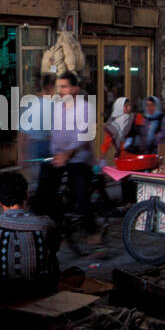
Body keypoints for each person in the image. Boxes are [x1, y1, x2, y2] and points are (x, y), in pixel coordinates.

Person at [34, 71, 100, 247]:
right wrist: (55, 153)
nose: (61, 91)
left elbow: (83, 136)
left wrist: (67, 154)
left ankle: (93, 232)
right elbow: (54, 134)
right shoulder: (57, 107)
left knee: (80, 193)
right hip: (59, 156)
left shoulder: (85, 108)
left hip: (78, 158)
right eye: (59, 87)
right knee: (44, 192)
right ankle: (55, 230)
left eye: (64, 86)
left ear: (75, 88)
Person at [0, 171, 60, 296]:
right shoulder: (45, 224)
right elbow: (54, 250)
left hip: (0, 292)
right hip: (39, 291)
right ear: (26, 195)